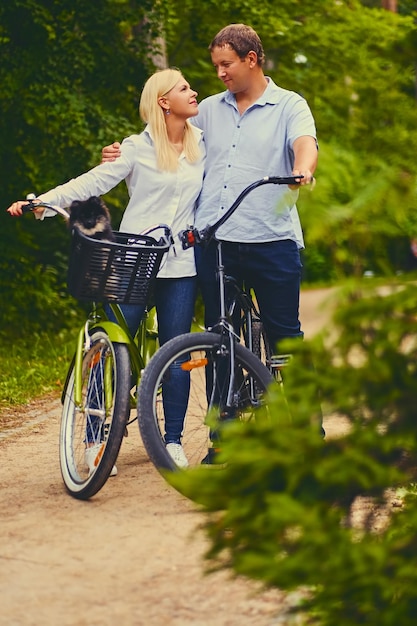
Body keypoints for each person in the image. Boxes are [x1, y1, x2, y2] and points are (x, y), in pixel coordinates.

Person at [102, 25, 321, 429]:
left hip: (272, 241)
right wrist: (121, 151)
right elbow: (164, 134)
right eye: (215, 65)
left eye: (226, 64)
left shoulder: (290, 105)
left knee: (285, 338)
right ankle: (223, 434)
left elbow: (304, 143)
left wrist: (301, 170)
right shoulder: (209, 111)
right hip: (216, 243)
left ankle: (310, 431)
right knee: (220, 340)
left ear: (250, 59)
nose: (219, 73)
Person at [7, 68, 206, 469]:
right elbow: (92, 183)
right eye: (184, 88)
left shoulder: (204, 143)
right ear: (163, 102)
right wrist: (41, 203)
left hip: (181, 263)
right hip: (133, 259)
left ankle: (172, 441)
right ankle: (98, 438)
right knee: (111, 348)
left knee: (176, 352)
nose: (194, 91)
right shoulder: (136, 148)